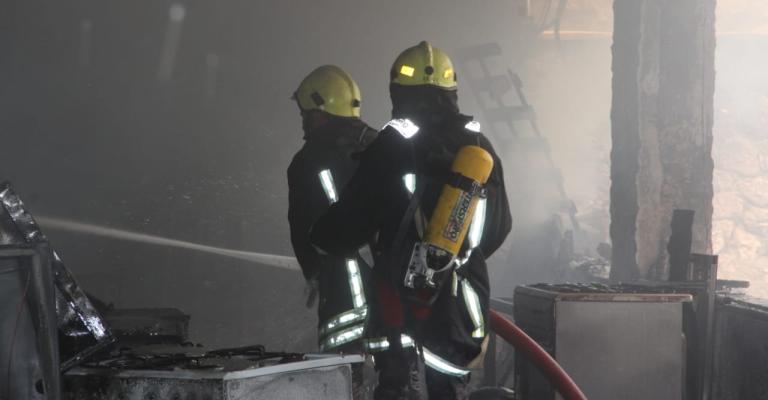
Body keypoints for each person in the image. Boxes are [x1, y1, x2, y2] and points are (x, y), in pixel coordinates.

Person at [311, 42, 512, 399]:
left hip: (402, 312)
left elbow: (352, 221)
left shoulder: (394, 145)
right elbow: (499, 227)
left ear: (398, 92)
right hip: (460, 312)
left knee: (400, 391)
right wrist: (454, 262)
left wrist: (321, 237)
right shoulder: (480, 149)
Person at [287, 65, 378, 352]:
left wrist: (313, 271)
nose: (303, 122)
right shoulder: (382, 146)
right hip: (393, 296)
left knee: (343, 371)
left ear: (319, 113)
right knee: (396, 372)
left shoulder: (307, 161)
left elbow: (303, 226)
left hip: (343, 294)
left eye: (305, 114)